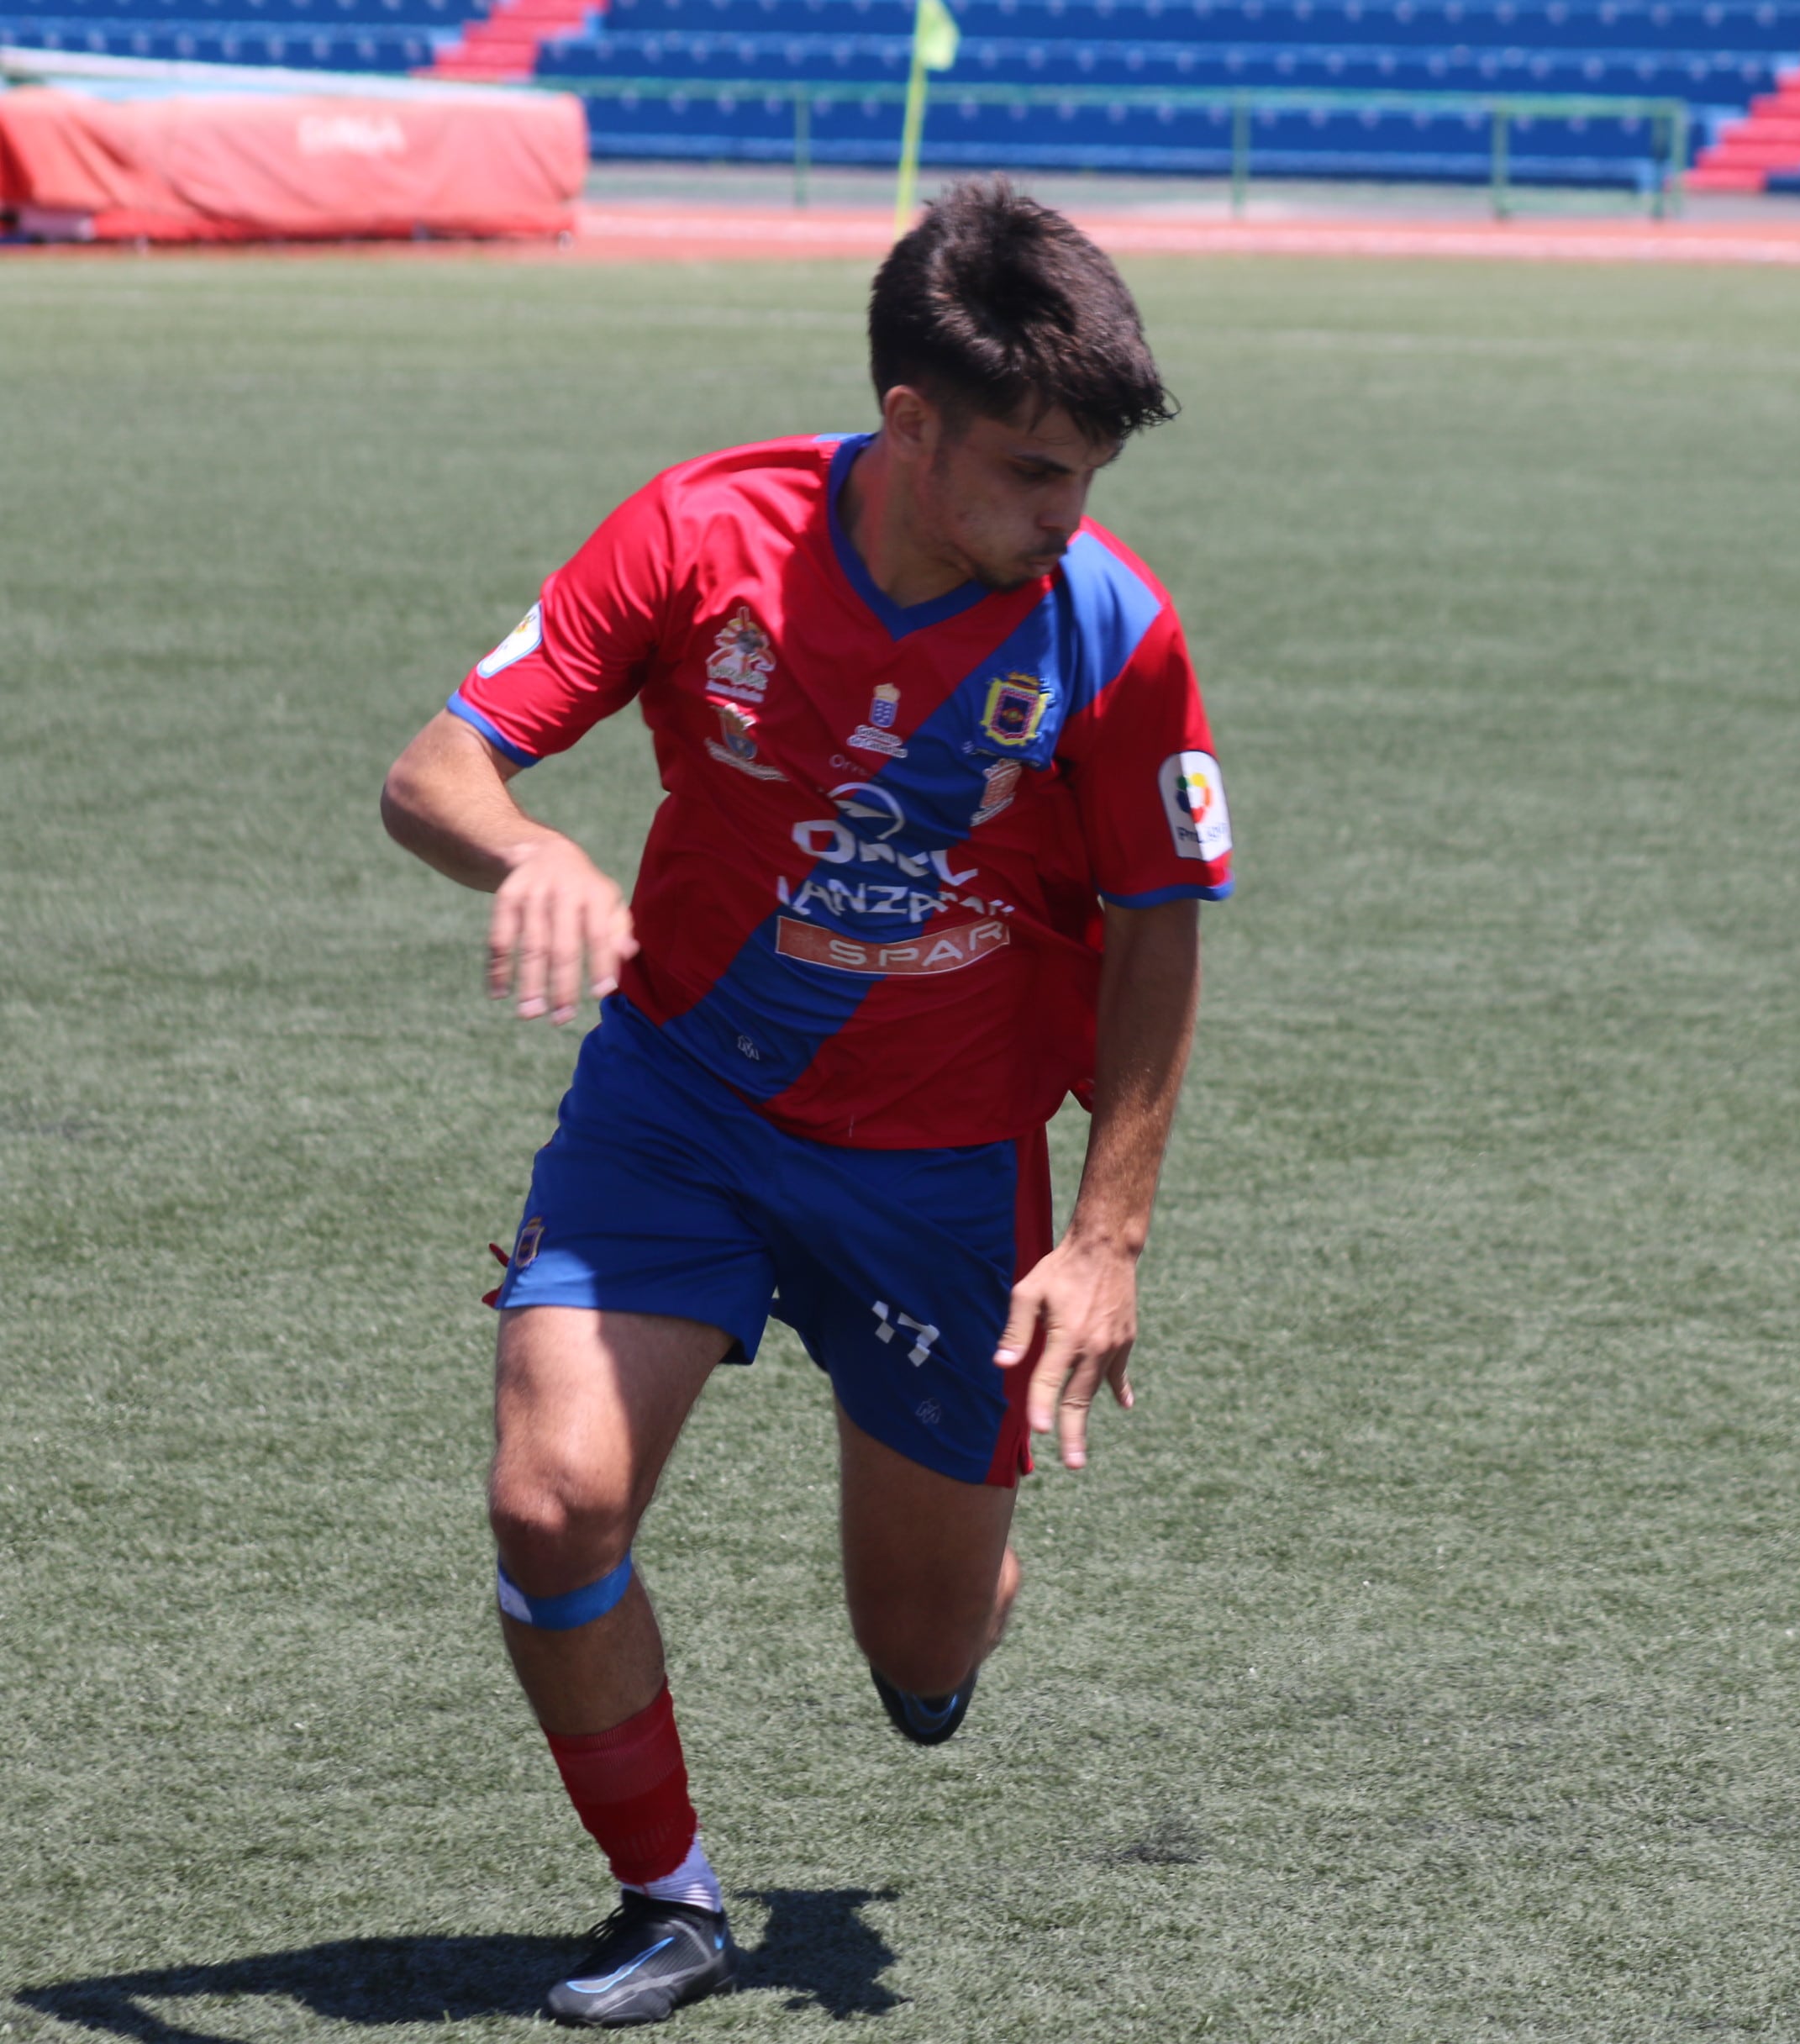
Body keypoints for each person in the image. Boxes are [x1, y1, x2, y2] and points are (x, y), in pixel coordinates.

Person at [378, 181, 1231, 2026]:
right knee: (552, 1502)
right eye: (1029, 472)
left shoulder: (1111, 628)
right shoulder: (706, 534)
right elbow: (435, 767)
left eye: (1083, 477)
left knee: (918, 1662)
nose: (1062, 519)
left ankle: (961, 1601)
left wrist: (1108, 1234)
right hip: (677, 1098)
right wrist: (525, 847)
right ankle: (669, 1901)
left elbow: (1165, 930)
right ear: (908, 425)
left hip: (941, 1163)